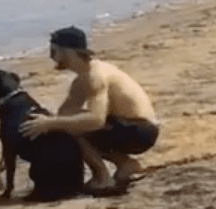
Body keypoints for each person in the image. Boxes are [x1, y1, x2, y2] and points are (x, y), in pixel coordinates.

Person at [20, 26, 159, 195]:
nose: (51, 57)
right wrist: (48, 122)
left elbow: (96, 120)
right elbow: (65, 114)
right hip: (130, 125)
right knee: (67, 123)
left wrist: (51, 123)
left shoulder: (95, 76)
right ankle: (125, 164)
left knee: (74, 126)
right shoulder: (82, 78)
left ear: (68, 52)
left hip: (140, 130)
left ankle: (102, 177)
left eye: (53, 51)